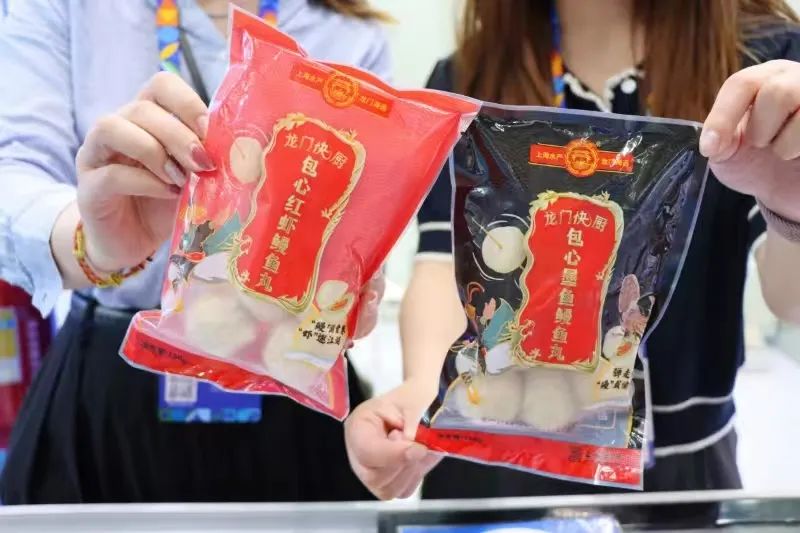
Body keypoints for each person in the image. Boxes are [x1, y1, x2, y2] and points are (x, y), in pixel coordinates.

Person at [345, 0, 800, 503]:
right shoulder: (471, 72)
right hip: (492, 450)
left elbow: (790, 303)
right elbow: (443, 262)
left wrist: (793, 201)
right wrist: (423, 393)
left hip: (676, 479)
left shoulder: (763, 65)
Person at [0, 0, 389, 504]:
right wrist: (92, 242)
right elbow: (14, 171)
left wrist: (355, 279)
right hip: (111, 392)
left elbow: (366, 210)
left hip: (290, 379)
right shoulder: (70, 9)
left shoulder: (348, 33)